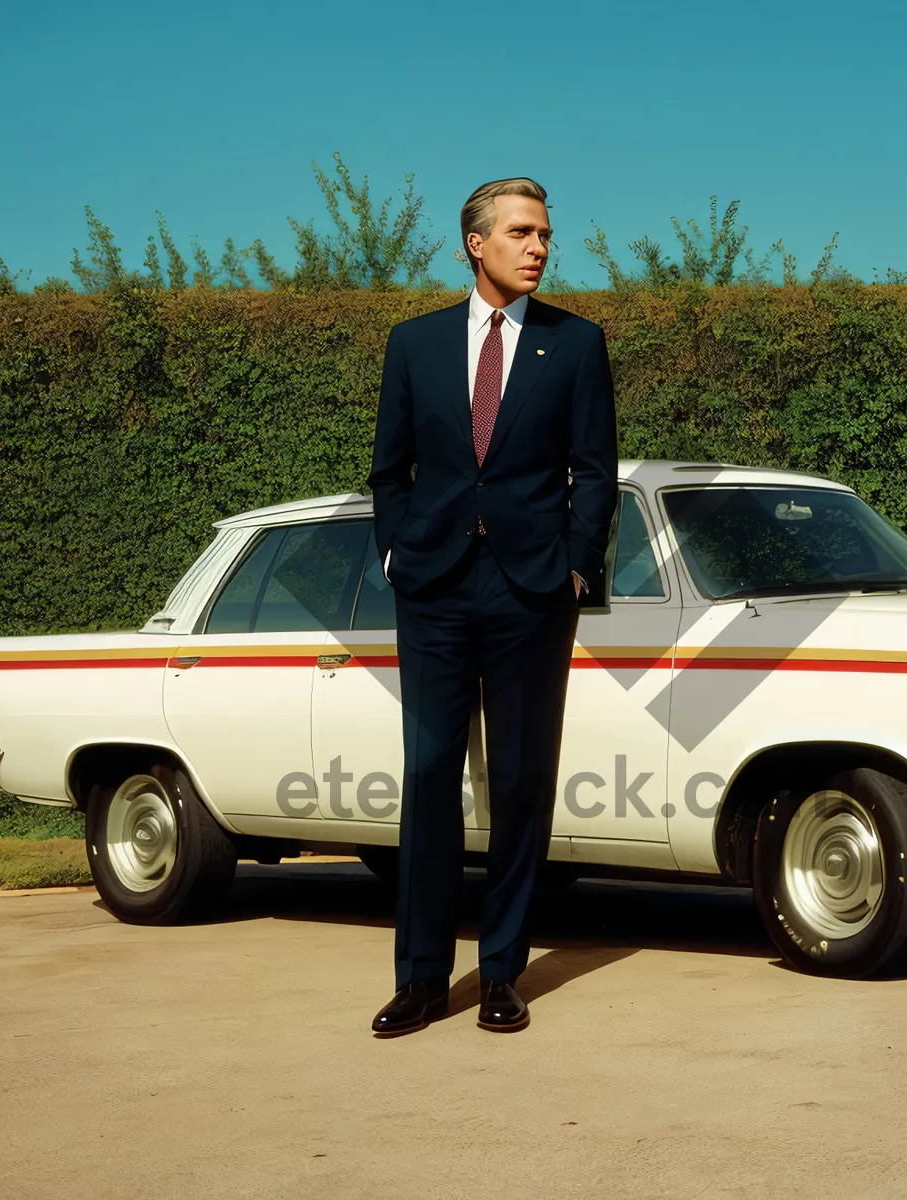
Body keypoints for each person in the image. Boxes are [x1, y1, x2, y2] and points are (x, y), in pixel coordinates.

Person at [366, 177, 618, 1036]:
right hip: (433, 591)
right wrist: (398, 553)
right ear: (477, 243)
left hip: (532, 593)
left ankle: (504, 972)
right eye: (521, 232)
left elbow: (597, 472)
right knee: (431, 777)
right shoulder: (415, 344)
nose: (539, 247)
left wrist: (577, 566)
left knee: (518, 782)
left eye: (545, 233)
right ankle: (422, 979)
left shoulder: (576, 345)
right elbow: (387, 472)